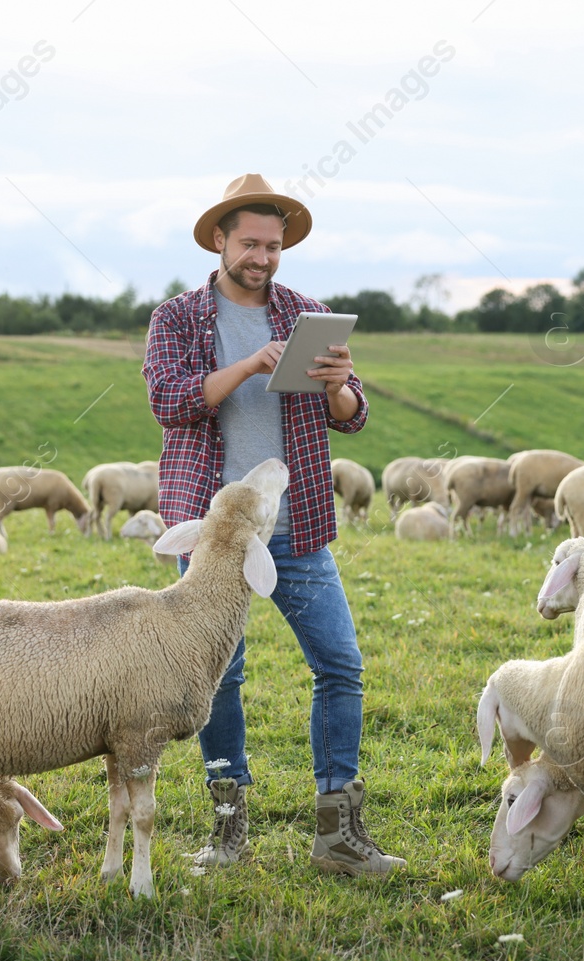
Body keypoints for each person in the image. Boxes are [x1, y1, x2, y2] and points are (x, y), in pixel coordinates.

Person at [142, 173, 404, 877]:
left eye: (273, 244)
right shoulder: (178, 318)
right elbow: (169, 403)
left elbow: (354, 417)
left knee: (340, 663)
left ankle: (338, 834)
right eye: (250, 243)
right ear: (221, 240)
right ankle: (228, 831)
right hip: (215, 530)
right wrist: (246, 366)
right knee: (221, 676)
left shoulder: (306, 312)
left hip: (300, 523)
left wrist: (338, 385)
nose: (262, 256)